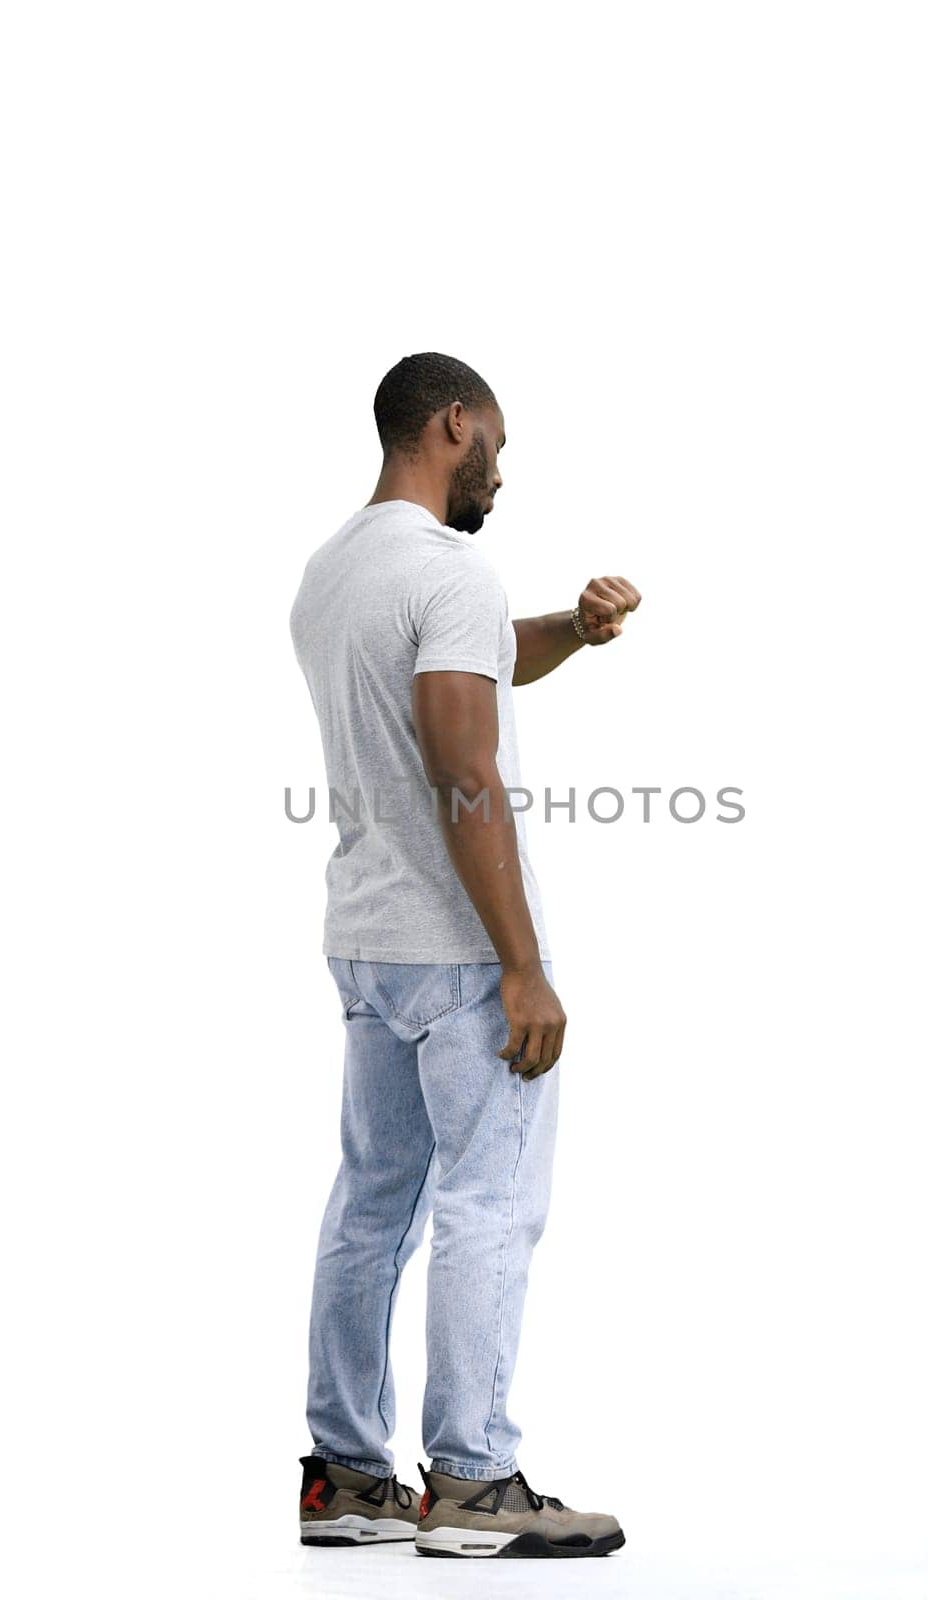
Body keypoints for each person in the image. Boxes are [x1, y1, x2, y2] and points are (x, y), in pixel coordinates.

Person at [289, 352, 640, 1559]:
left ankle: (345, 1477)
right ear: (453, 425)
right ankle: (474, 1481)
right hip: (453, 952)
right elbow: (459, 758)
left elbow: (464, 669)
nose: (503, 464)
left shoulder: (337, 566)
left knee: (372, 1202)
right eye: (496, 438)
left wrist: (571, 635)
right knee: (491, 1202)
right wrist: (522, 963)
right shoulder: (446, 569)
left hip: (365, 942)